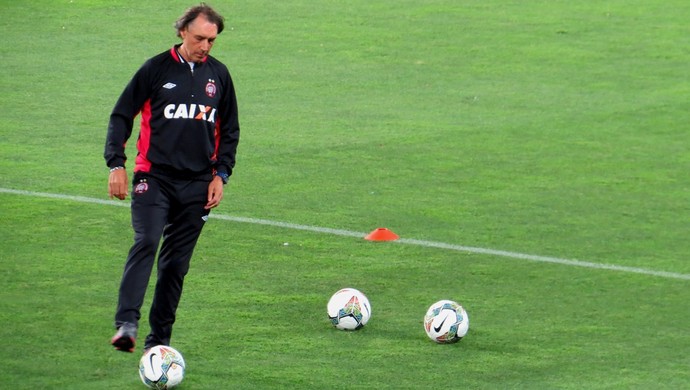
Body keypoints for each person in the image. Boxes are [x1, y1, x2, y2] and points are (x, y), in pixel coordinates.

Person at [104, 3, 240, 353]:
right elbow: (121, 115)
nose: (206, 46)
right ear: (182, 32)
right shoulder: (155, 69)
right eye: (200, 38)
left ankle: (159, 342)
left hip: (198, 184)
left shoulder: (220, 76)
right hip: (154, 176)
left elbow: (230, 131)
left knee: (176, 265)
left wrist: (221, 175)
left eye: (212, 40)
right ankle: (126, 324)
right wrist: (116, 164)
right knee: (147, 240)